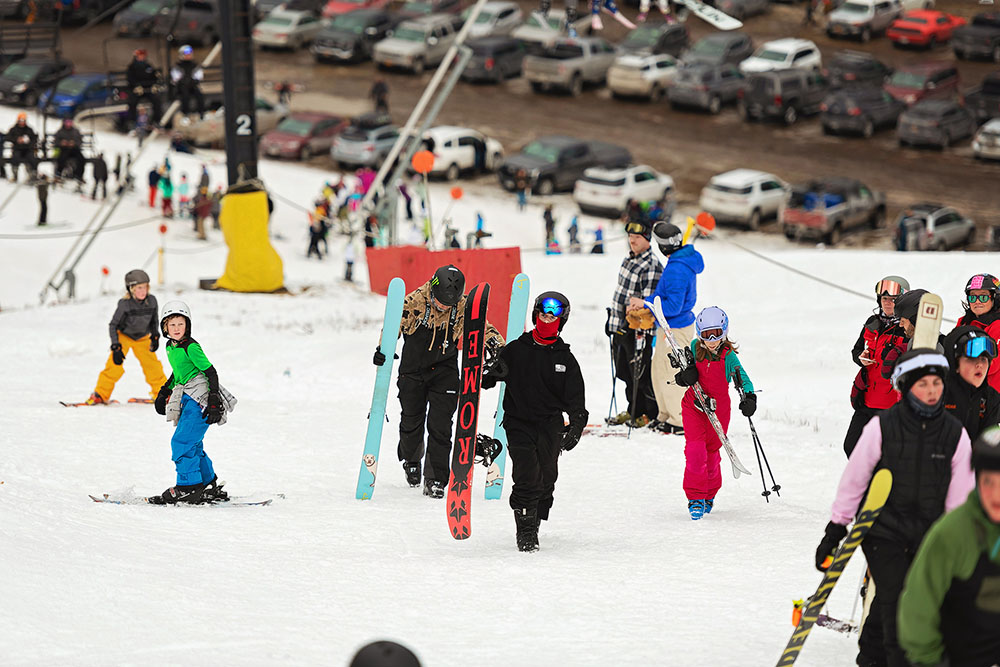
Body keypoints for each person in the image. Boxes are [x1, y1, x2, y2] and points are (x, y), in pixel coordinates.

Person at [814, 348, 975, 667]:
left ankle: (871, 657)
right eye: (922, 385)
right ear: (905, 387)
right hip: (883, 532)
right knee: (901, 598)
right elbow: (855, 478)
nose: (932, 392)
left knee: (898, 597)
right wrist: (835, 530)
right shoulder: (882, 427)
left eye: (936, 383)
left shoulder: (955, 434)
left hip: (929, 536)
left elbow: (960, 496)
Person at [372, 265, 504, 498]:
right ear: (432, 290)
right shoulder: (413, 301)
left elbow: (482, 327)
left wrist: (498, 348)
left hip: (445, 370)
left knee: (441, 425)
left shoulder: (461, 306)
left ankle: (436, 479)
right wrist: (384, 348)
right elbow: (394, 326)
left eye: (448, 304)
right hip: (413, 370)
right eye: (440, 302)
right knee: (412, 420)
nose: (443, 307)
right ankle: (411, 459)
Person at [481, 291, 588, 552]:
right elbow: (485, 381)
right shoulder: (516, 350)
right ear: (535, 315)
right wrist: (492, 372)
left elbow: (576, 399)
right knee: (527, 475)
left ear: (562, 322)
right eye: (543, 314)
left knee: (547, 476)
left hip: (550, 424)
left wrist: (576, 426)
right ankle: (526, 530)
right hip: (518, 423)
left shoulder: (565, 359)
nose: (547, 320)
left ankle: (535, 516)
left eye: (553, 316)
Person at [897, 425, 1000, 667]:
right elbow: (918, 607)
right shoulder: (952, 533)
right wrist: (930, 661)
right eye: (988, 482)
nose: (996, 494)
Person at [673, 306, 756, 519]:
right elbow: (683, 372)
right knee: (695, 450)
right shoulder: (693, 347)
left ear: (724, 332)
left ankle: (709, 493)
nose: (711, 339)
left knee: (711, 451)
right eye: (706, 334)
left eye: (716, 333)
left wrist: (749, 398)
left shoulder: (728, 357)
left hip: (718, 410)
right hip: (694, 405)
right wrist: (684, 378)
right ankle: (695, 498)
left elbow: (743, 378)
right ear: (699, 334)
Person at [150, 301, 235, 504]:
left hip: (200, 398)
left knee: (181, 442)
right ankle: (206, 483)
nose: (177, 329)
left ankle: (189, 486)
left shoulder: (191, 347)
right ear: (165, 328)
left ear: (187, 325)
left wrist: (214, 399)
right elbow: (178, 371)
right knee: (193, 444)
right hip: (187, 396)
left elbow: (210, 371)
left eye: (181, 324)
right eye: (172, 325)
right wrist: (164, 391)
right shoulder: (171, 346)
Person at [646, 221, 704, 435]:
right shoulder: (677, 262)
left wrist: (647, 304)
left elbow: (673, 306)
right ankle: (665, 413)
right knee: (659, 370)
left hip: (675, 327)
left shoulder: (677, 269)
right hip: (667, 326)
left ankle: (679, 419)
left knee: (672, 371)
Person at [844, 276, 910, 456]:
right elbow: (856, 351)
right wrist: (861, 357)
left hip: (893, 404)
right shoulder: (872, 322)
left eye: (894, 300)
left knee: (886, 454)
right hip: (867, 400)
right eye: (884, 298)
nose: (888, 303)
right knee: (852, 447)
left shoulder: (909, 328)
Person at [606, 219, 662, 427]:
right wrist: (613, 321)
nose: (632, 241)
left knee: (640, 373)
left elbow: (648, 304)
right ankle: (632, 410)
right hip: (620, 326)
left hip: (638, 330)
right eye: (630, 237)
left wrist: (633, 318)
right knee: (624, 372)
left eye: (637, 238)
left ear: (647, 239)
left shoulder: (652, 266)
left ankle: (647, 413)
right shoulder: (629, 260)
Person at [86, 269, 168, 405]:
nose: (143, 291)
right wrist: (116, 345)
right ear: (131, 289)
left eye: (146, 287)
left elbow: (154, 321)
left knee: (153, 366)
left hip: (142, 338)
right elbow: (113, 325)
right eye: (139, 288)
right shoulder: (124, 304)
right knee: (114, 365)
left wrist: (155, 335)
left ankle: (162, 394)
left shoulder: (152, 301)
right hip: (124, 337)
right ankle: (100, 394)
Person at [942, 326, 1000, 442]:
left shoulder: (991, 398)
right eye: (972, 359)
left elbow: (987, 445)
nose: (980, 365)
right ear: (955, 364)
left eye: (984, 359)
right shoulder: (937, 392)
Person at [954, 273, 1000, 394]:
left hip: (992, 397)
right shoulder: (963, 322)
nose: (977, 301)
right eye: (973, 297)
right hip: (965, 393)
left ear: (995, 299)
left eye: (983, 297)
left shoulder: (997, 325)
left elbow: (992, 364)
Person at [126, 49, 162, 125]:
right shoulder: (132, 67)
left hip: (148, 89)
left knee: (157, 100)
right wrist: (136, 86)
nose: (142, 57)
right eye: (140, 55)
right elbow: (130, 79)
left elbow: (154, 77)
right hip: (137, 90)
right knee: (132, 101)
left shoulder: (148, 66)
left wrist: (154, 85)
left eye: (143, 55)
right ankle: (131, 121)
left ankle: (156, 121)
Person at [170, 45, 205, 119]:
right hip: (182, 87)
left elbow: (199, 75)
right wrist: (182, 80)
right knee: (185, 95)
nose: (188, 56)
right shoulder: (178, 65)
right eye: (186, 54)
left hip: (192, 85)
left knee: (199, 94)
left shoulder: (194, 65)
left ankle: (201, 113)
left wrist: (194, 80)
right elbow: (175, 77)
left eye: (189, 54)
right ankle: (185, 114)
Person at [53, 118, 84, 186]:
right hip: (64, 149)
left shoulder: (76, 131)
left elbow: (80, 141)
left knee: (81, 158)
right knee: (62, 157)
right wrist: (61, 143)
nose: (68, 124)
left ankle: (79, 175)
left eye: (70, 122)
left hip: (74, 150)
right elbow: (56, 141)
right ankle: (59, 174)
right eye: (67, 123)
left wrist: (74, 143)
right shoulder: (60, 132)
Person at [7, 113, 37, 181]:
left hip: (27, 149)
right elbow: (8, 137)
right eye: (20, 120)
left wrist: (28, 141)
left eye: (23, 120)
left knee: (32, 158)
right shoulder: (14, 129)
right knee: (15, 158)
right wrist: (17, 139)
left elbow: (34, 139)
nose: (22, 122)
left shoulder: (29, 129)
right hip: (17, 149)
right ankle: (15, 175)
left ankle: (32, 175)